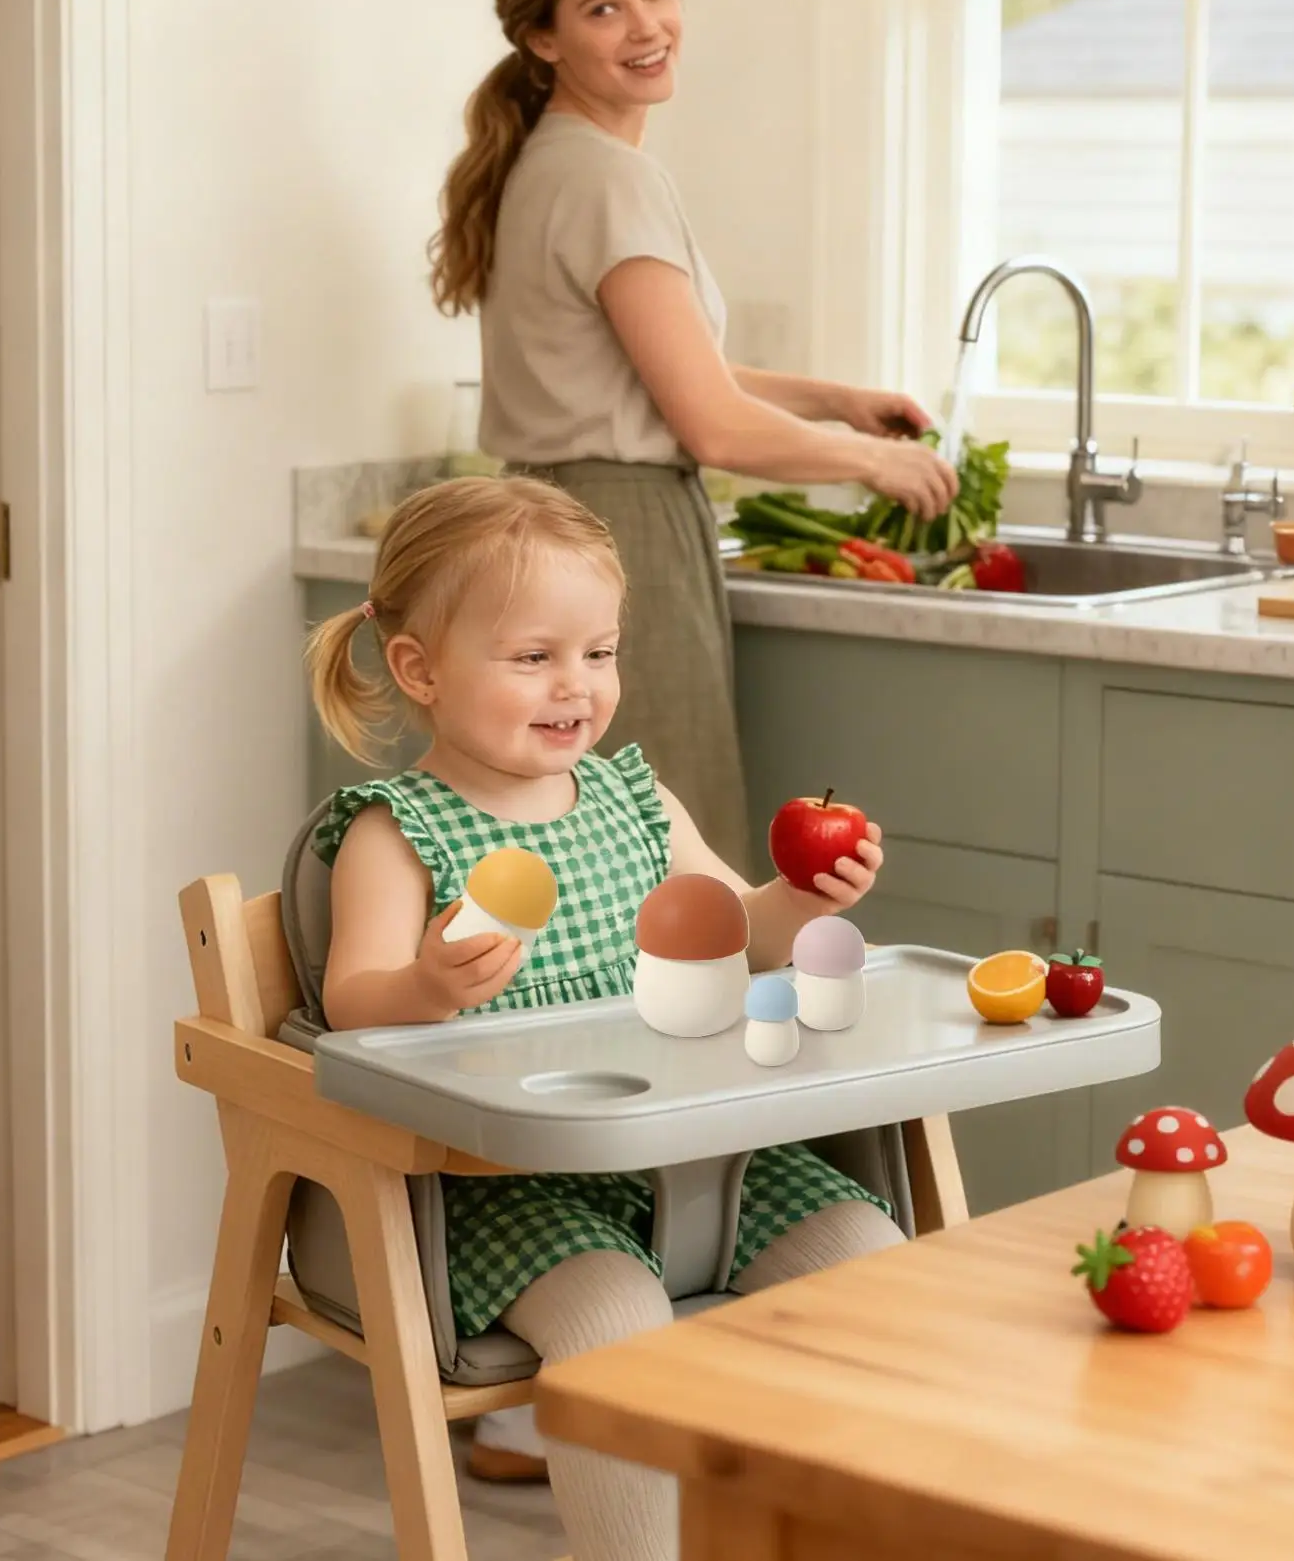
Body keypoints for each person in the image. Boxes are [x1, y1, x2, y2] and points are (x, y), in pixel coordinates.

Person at [304, 476, 905, 1561]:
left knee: (871, 1257)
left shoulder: (637, 800)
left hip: (696, 1159)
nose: (573, 684)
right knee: (614, 1327)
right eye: (533, 655)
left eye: (598, 651)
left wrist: (798, 899)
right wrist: (431, 983)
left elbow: (739, 929)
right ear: (419, 669)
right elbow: (352, 1003)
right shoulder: (393, 833)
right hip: (505, 1189)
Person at [428, 0, 957, 887]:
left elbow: (658, 370)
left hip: (549, 521)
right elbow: (711, 426)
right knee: (662, 857)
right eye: (604, 8)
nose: (645, 25)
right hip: (620, 532)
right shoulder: (607, 177)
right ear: (544, 40)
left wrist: (832, 399)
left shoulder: (552, 158)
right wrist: (872, 461)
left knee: (575, 843)